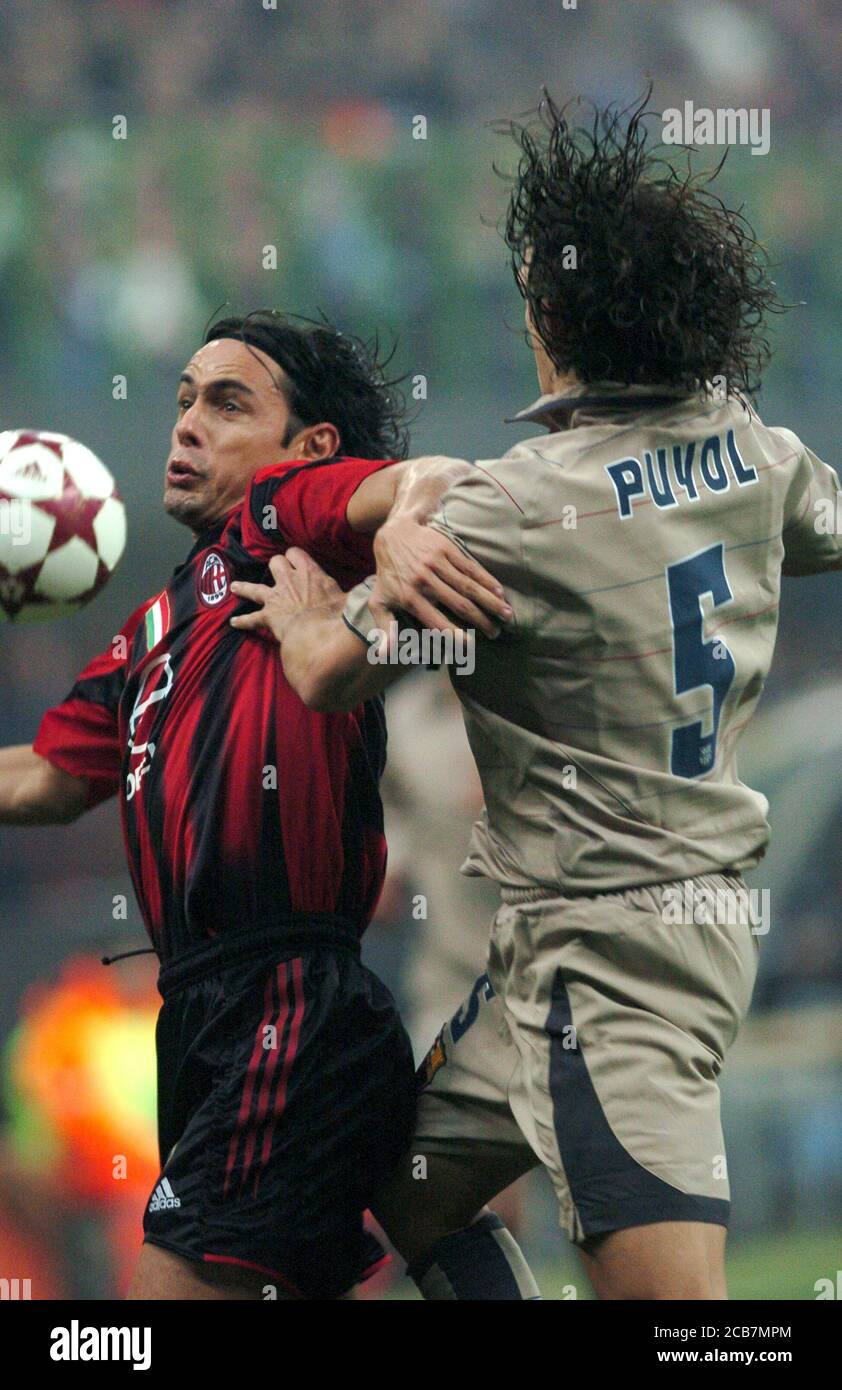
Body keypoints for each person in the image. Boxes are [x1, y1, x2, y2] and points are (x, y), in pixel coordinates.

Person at [230, 97, 842, 1300]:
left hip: (608, 968)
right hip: (582, 945)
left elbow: (322, 673)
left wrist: (311, 607)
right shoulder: (759, 455)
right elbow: (811, 526)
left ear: (554, 316)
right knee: (389, 1195)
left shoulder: (516, 505)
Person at [0, 310, 508, 1300]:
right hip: (202, 1017)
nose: (188, 423)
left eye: (227, 402)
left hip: (285, 999)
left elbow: (431, 477)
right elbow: (45, 779)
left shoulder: (282, 515)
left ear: (308, 446)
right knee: (391, 1239)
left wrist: (405, 522)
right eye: (184, 398)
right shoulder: (154, 624)